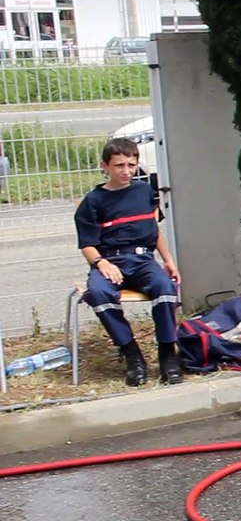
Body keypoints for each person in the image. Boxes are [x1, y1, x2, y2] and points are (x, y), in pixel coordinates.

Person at [73, 138, 184, 386]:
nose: (126, 171)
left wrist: (169, 261)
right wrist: (102, 263)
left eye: (131, 165)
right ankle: (132, 355)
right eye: (119, 165)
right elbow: (87, 245)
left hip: (142, 260)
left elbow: (154, 230)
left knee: (165, 288)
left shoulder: (144, 191)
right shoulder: (93, 201)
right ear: (105, 166)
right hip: (110, 260)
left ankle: (168, 356)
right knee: (99, 293)